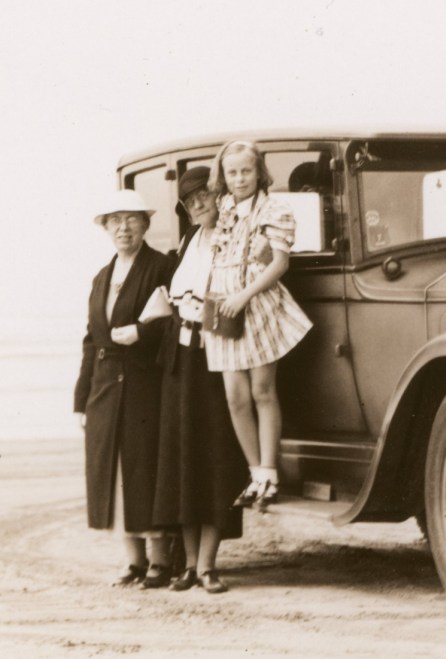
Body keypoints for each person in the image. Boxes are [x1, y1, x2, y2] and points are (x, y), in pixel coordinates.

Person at [151, 167, 250, 594]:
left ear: (218, 197)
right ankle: (190, 566)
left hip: (215, 355)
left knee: (214, 459)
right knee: (182, 461)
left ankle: (208, 565)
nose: (197, 206)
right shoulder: (189, 241)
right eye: (189, 202)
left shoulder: (230, 238)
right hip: (181, 359)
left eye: (203, 197)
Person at [73, 189, 175, 588]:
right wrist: (81, 400)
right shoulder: (102, 276)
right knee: (113, 473)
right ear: (106, 228)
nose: (123, 227)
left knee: (144, 468)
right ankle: (132, 561)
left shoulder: (162, 266)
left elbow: (177, 319)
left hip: (144, 383)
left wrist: (142, 333)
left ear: (146, 224)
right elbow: (90, 339)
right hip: (104, 388)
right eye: (114, 220)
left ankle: (160, 562)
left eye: (131, 218)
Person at [204, 141, 312, 509]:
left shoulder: (274, 209)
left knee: (262, 391)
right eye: (232, 172)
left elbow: (279, 264)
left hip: (256, 304)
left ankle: (270, 472)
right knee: (235, 397)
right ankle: (255, 473)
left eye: (246, 171)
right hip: (223, 306)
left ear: (259, 172)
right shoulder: (223, 209)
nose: (239, 179)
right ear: (224, 176)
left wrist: (244, 295)